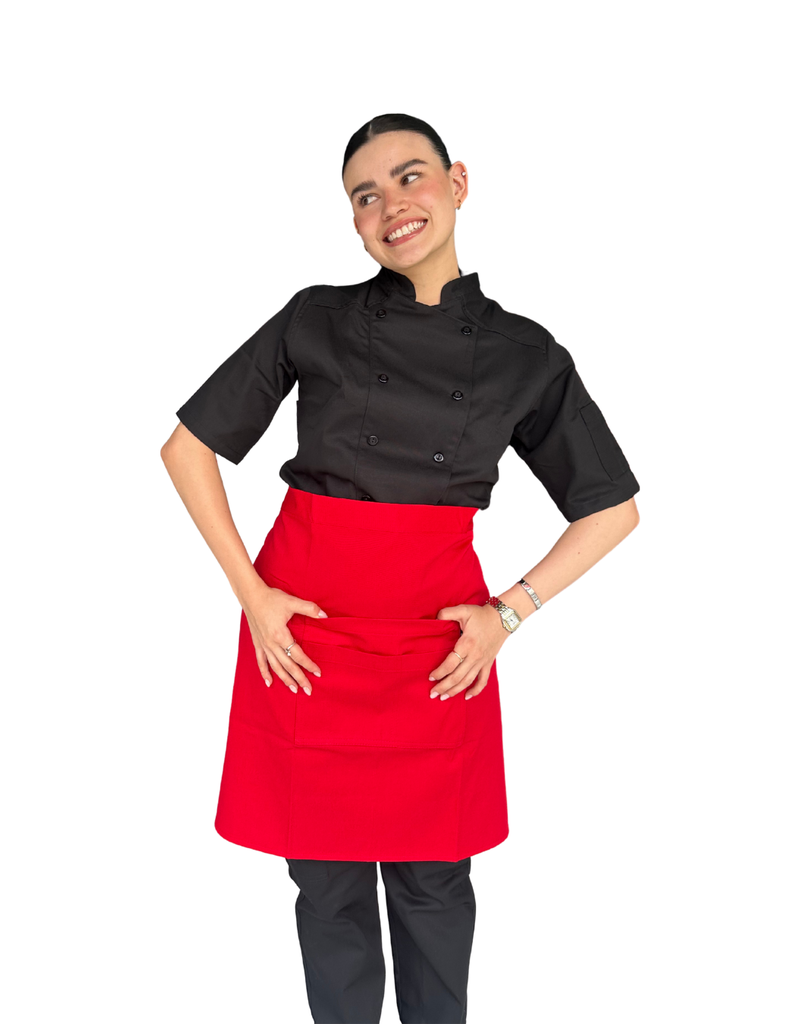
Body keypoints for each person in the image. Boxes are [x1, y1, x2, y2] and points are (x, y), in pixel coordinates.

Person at [161, 112, 641, 1024]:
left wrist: (508, 613)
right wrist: (253, 597)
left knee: (434, 879)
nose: (391, 206)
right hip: (305, 639)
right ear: (353, 222)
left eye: (409, 177)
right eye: (365, 195)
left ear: (457, 183)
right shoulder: (315, 317)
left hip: (435, 643)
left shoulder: (525, 354)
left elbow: (610, 508)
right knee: (325, 883)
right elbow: (187, 450)